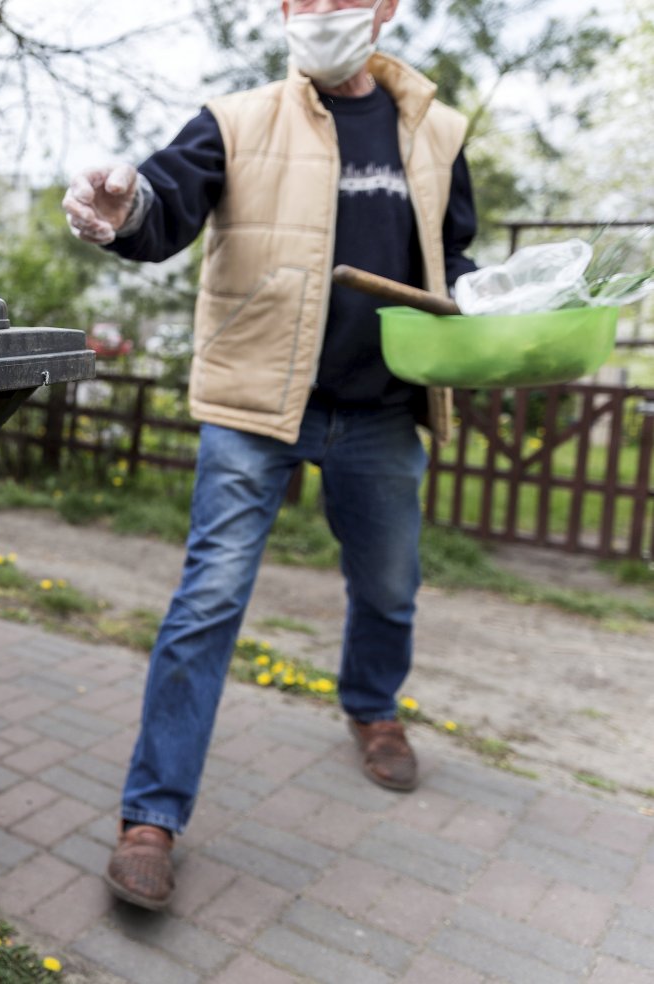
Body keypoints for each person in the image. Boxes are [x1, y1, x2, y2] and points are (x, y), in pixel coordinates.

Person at [61, 0, 478, 911]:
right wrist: (122, 206)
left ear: (385, 10)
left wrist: (498, 315)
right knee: (207, 601)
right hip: (258, 406)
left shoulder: (439, 132)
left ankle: (372, 706)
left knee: (390, 585)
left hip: (380, 411)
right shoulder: (236, 121)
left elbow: (456, 260)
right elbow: (161, 205)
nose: (319, 11)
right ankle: (151, 817)